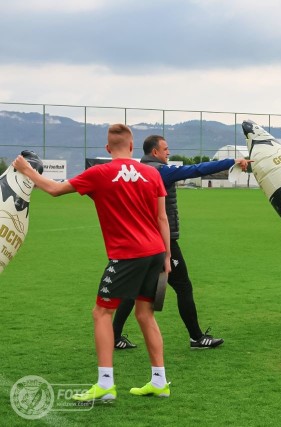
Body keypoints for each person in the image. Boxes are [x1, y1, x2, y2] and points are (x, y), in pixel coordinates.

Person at [13, 124, 172, 401]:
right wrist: (168, 256)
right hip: (156, 251)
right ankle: (159, 381)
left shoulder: (99, 173)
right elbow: (162, 218)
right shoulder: (151, 173)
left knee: (101, 314)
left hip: (128, 254)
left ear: (108, 149)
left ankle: (105, 384)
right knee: (145, 314)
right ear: (133, 147)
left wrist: (27, 171)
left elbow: (54, 189)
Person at [112, 135, 250, 350]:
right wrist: (231, 161)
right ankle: (196, 337)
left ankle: (114, 336)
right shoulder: (161, 172)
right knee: (183, 286)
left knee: (134, 289)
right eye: (166, 149)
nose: (169, 153)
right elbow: (196, 169)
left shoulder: (136, 172)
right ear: (155, 152)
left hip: (139, 240)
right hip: (162, 242)